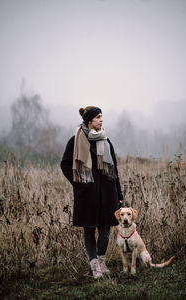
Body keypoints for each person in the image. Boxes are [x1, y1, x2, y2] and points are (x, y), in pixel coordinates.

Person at [60, 106, 123, 279]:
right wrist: (79, 183)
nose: (101, 120)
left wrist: (120, 195)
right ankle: (94, 265)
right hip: (87, 194)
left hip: (108, 194)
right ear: (89, 121)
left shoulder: (106, 139)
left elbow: (114, 170)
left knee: (105, 229)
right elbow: (65, 164)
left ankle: (102, 261)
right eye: (98, 117)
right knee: (89, 230)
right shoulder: (75, 140)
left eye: (102, 117)